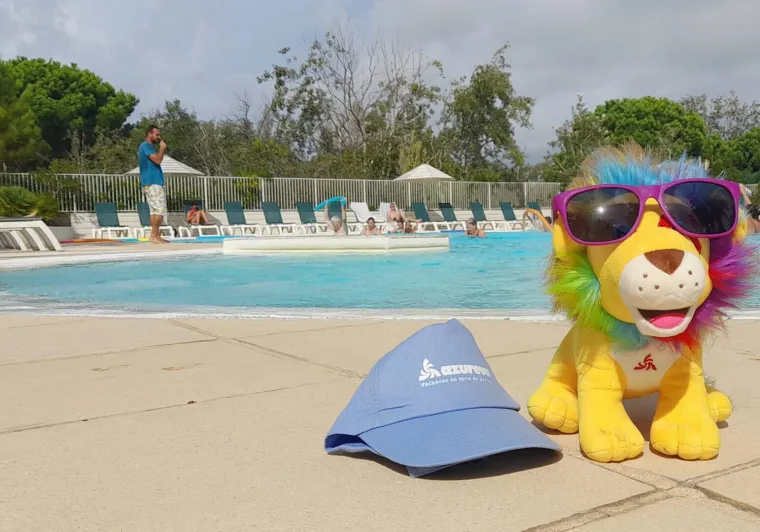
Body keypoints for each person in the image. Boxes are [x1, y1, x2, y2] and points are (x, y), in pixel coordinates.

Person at [138, 125, 169, 244]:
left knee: (154, 210)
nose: (159, 137)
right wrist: (162, 148)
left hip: (150, 182)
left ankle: (155, 235)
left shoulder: (148, 147)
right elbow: (157, 160)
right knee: (160, 209)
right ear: (150, 134)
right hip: (153, 181)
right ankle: (154, 235)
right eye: (157, 134)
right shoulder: (146, 146)